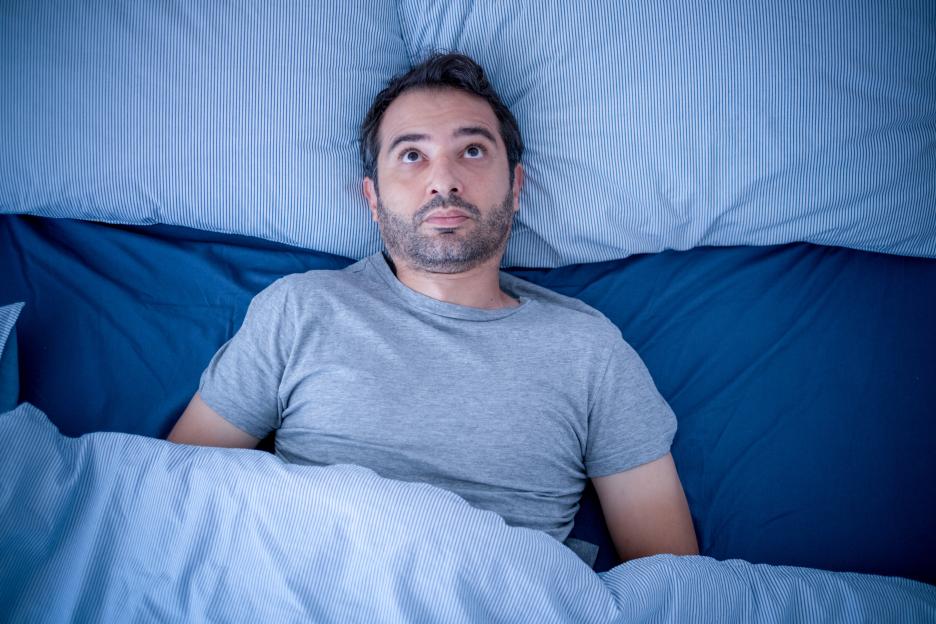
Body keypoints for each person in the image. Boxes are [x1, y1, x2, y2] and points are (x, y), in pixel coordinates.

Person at [168, 52, 699, 564]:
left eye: (471, 151)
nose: (443, 181)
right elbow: (173, 491)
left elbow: (671, 578)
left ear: (515, 187)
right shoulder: (299, 309)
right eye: (412, 155)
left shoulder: (590, 350)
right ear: (373, 198)